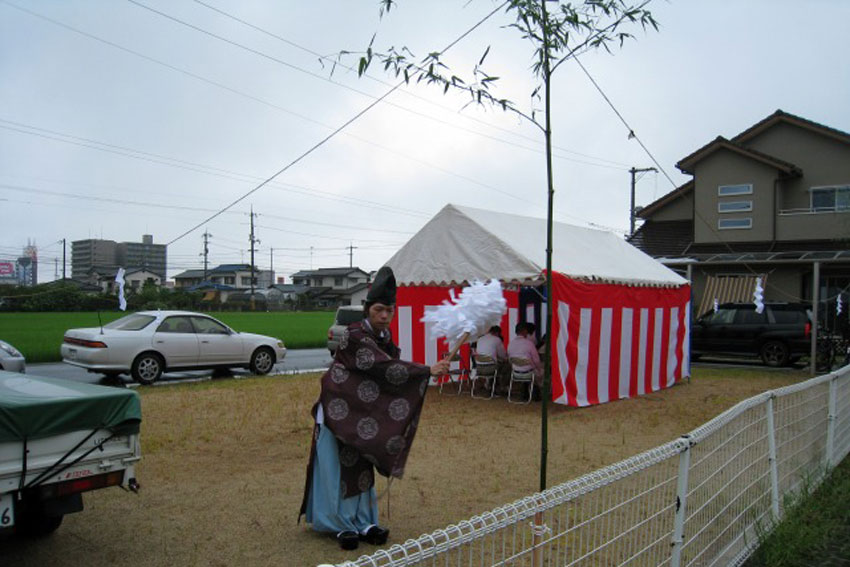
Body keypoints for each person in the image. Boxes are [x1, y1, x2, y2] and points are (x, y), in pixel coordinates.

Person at [299, 267, 450, 551]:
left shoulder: (385, 336)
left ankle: (365, 520)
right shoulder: (353, 334)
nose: (384, 316)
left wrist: (423, 372)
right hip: (338, 411)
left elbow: (387, 374)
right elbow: (382, 367)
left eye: (389, 311)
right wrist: (427, 370)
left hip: (362, 413)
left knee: (363, 465)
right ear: (368, 309)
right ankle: (339, 524)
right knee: (338, 468)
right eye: (379, 310)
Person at [506, 322, 543, 396]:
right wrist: (539, 369)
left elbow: (509, 358)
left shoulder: (510, 344)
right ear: (524, 331)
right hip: (529, 373)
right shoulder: (529, 343)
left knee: (529, 367)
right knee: (542, 370)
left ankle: (525, 391)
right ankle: (537, 392)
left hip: (516, 373)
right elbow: (536, 360)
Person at [474, 325, 509, 394]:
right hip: (491, 368)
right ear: (497, 333)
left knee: (495, 364)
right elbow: (503, 355)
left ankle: (490, 385)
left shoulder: (480, 339)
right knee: (507, 367)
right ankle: (504, 387)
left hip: (479, 368)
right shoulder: (497, 339)